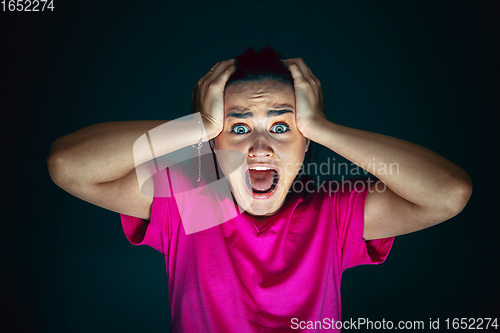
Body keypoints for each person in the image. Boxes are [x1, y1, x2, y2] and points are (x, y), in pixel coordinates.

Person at [47, 45, 472, 332]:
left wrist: (325, 127)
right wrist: (198, 124)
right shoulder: (193, 204)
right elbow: (69, 166)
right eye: (238, 127)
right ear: (211, 142)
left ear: (307, 140)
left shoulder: (333, 216)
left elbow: (449, 193)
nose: (260, 146)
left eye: (283, 126)